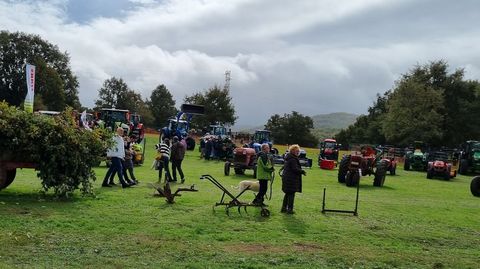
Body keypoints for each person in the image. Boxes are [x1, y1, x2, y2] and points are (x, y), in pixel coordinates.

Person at [281, 144, 306, 214]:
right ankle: (290, 209)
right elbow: (295, 169)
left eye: (298, 151)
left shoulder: (289, 158)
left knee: (287, 194)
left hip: (287, 178)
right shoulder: (293, 159)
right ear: (292, 151)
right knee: (291, 194)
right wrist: (302, 171)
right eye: (296, 151)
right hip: (291, 179)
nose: (298, 152)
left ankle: (283, 208)